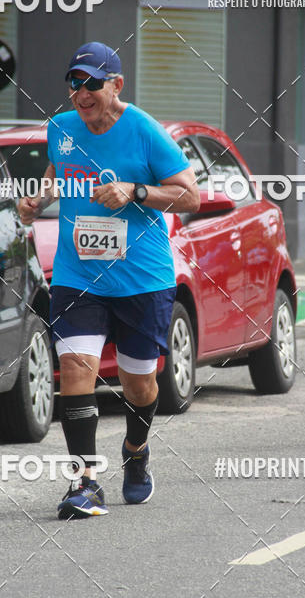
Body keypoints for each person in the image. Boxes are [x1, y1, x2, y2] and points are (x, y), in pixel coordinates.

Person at [18, 42, 200, 520]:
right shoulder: (61, 127)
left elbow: (191, 197)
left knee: (140, 383)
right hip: (79, 274)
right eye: (74, 83)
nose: (81, 93)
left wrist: (136, 191)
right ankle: (84, 482)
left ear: (116, 85)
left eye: (92, 84)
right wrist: (37, 199)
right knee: (76, 369)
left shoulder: (143, 130)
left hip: (142, 278)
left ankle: (136, 451)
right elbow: (59, 173)